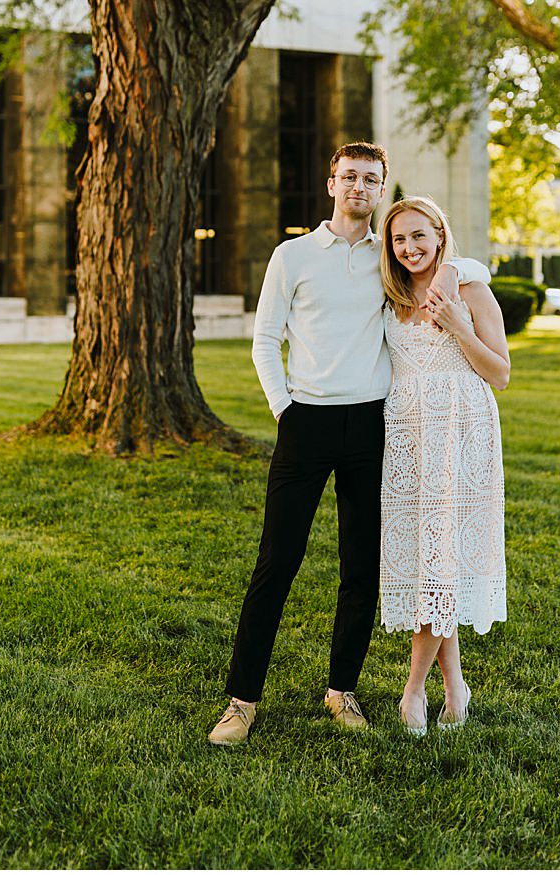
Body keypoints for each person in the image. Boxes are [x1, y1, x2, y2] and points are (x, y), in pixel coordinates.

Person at [209, 143, 490, 745]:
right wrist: (285, 410)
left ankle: (343, 692)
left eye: (371, 178)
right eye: (350, 176)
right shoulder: (293, 256)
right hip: (304, 422)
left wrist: (454, 271)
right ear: (331, 181)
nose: (359, 186)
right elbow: (264, 341)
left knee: (360, 569)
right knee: (276, 564)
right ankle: (241, 702)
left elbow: (458, 266)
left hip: (373, 428)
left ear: (382, 187)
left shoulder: (389, 261)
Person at [379, 195, 509, 736]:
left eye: (419, 236)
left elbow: (499, 373)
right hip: (408, 438)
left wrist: (458, 323)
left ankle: (414, 690)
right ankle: (456, 685)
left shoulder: (470, 289)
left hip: (461, 434)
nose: (409, 248)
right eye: (399, 239)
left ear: (439, 233)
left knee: (442, 558)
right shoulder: (386, 293)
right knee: (430, 562)